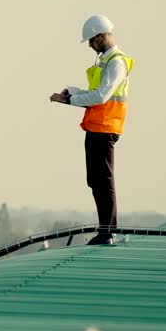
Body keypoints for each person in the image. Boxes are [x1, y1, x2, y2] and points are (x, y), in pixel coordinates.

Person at [49, 14, 135, 245]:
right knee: (96, 180)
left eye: (91, 40)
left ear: (101, 36)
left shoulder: (117, 62)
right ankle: (106, 229)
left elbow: (100, 96)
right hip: (97, 125)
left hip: (106, 127)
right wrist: (72, 93)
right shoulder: (106, 61)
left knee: (104, 180)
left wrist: (68, 101)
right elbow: (95, 93)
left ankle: (107, 231)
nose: (89, 45)